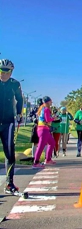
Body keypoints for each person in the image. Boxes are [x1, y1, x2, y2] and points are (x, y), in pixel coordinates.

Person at [0, 59, 23, 194]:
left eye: (6, 71)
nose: (3, 73)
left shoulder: (15, 84)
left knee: (9, 152)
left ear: (11, 72)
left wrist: (19, 114)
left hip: (8, 123)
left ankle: (9, 184)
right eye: (1, 70)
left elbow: (20, 99)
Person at [33, 96, 56, 168]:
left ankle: (48, 159)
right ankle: (36, 162)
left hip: (44, 129)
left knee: (52, 142)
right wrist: (53, 118)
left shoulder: (43, 108)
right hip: (43, 129)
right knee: (41, 146)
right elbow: (48, 119)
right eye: (51, 101)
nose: (51, 102)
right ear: (48, 102)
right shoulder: (46, 109)